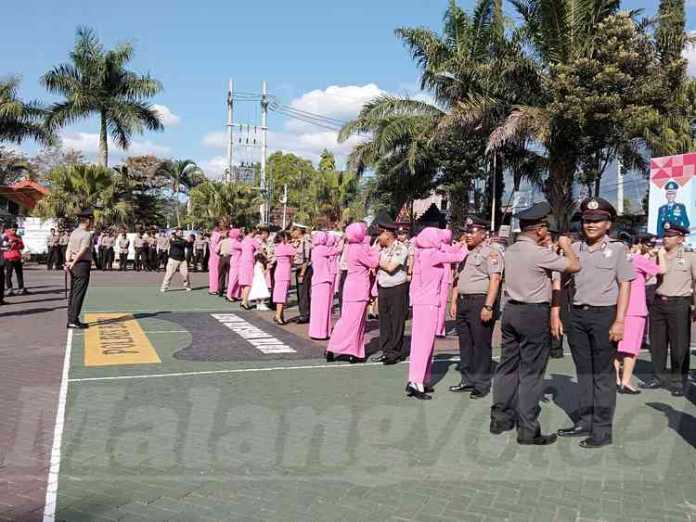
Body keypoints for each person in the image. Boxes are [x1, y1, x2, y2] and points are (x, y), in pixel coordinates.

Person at [490, 202, 580, 445]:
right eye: (544, 228)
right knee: (531, 373)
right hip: (533, 313)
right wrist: (566, 246)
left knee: (507, 367)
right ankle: (528, 428)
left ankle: (500, 418)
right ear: (539, 230)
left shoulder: (510, 250)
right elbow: (574, 266)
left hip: (510, 311)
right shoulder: (539, 253)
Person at [557, 197, 634, 449]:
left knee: (602, 374)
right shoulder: (575, 249)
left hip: (605, 316)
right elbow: (562, 279)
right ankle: (585, 420)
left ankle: (602, 430)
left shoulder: (618, 249)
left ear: (608, 224)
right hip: (578, 315)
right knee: (584, 371)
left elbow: (625, 285)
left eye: (597, 220)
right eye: (587, 220)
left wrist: (620, 320)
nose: (590, 224)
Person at [406, 227, 467, 399]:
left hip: (423, 302)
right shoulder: (431, 255)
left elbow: (448, 250)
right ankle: (416, 382)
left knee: (424, 343)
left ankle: (420, 380)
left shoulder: (424, 251)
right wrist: (465, 247)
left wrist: (459, 244)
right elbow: (457, 257)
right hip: (428, 303)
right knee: (423, 344)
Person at [449, 217, 503, 399]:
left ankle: (481, 384)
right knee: (465, 344)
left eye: (472, 231)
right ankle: (467, 379)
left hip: (480, 302)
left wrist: (488, 306)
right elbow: (458, 278)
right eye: (466, 231)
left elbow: (495, 280)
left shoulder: (491, 253)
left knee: (480, 344)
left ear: (483, 233)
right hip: (464, 302)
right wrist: (454, 301)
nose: (467, 235)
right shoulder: (463, 253)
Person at [641, 221, 695, 396]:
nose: (666, 239)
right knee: (657, 343)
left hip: (679, 303)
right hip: (658, 302)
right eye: (664, 235)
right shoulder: (658, 255)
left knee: (679, 344)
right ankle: (658, 376)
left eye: (670, 236)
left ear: (680, 238)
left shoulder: (690, 256)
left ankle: (678, 379)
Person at [614, 237, 662, 394]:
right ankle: (625, 382)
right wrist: (658, 253)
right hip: (634, 309)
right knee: (630, 349)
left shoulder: (613, 259)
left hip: (616, 307)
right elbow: (660, 270)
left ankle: (616, 378)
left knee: (617, 347)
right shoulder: (635, 258)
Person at [326, 223, 379, 363]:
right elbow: (373, 263)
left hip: (350, 286)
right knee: (356, 322)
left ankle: (332, 347)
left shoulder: (350, 247)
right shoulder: (359, 249)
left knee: (345, 320)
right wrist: (375, 250)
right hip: (360, 288)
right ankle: (352, 351)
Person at [372, 215, 410, 365]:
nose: (378, 237)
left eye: (380, 234)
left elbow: (390, 267)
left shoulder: (401, 248)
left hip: (397, 288)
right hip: (383, 288)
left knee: (396, 321)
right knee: (385, 321)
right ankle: (386, 350)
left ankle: (395, 351)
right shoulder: (382, 249)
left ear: (387, 233)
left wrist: (376, 260)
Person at [66, 209, 94, 329]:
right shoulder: (86, 234)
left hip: (73, 263)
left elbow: (68, 248)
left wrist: (68, 262)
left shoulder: (74, 232)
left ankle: (72, 318)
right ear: (87, 221)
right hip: (81, 264)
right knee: (78, 293)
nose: (92, 222)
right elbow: (83, 250)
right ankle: (73, 320)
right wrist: (74, 262)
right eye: (91, 220)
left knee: (73, 292)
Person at [309, 231, 338, 340]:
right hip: (323, 281)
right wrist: (342, 240)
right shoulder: (322, 249)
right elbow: (337, 250)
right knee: (323, 308)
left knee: (317, 308)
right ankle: (322, 332)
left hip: (317, 281)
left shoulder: (315, 249)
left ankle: (317, 331)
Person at [272, 231, 296, 325]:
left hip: (280, 271)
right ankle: (278, 315)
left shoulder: (279, 247)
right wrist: (293, 244)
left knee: (281, 294)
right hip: (283, 273)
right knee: (281, 296)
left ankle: (280, 315)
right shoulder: (285, 247)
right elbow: (294, 252)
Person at [292, 224, 312, 323]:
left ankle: (305, 315)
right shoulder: (297, 242)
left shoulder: (305, 242)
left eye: (294, 230)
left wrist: (302, 273)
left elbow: (306, 259)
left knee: (303, 292)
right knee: (300, 293)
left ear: (299, 231)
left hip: (304, 269)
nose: (293, 232)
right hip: (298, 268)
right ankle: (303, 313)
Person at [160, 227, 191, 292]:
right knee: (169, 274)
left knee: (186, 274)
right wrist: (186, 241)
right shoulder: (172, 239)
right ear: (176, 233)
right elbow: (178, 244)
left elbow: (188, 245)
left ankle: (187, 286)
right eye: (180, 232)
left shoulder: (183, 240)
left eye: (182, 232)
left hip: (182, 260)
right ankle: (164, 287)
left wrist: (190, 241)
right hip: (173, 259)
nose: (181, 233)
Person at [3, 223, 27, 296]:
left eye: (15, 230)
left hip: (17, 257)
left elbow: (22, 246)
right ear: (10, 228)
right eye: (13, 229)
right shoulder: (5, 235)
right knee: (9, 274)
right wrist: (10, 244)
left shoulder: (18, 236)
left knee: (19, 273)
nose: (14, 231)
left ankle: (21, 288)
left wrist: (17, 244)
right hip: (9, 257)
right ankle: (10, 289)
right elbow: (4, 245)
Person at [216, 229, 234, 297]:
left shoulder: (222, 241)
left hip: (222, 258)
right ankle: (230, 291)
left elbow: (216, 250)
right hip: (231, 258)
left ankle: (220, 290)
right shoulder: (233, 241)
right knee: (230, 275)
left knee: (221, 275)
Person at [208, 222, 224, 294]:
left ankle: (214, 288)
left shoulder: (213, 235)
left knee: (214, 273)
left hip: (213, 257)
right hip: (216, 256)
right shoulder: (217, 235)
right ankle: (214, 289)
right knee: (215, 273)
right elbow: (216, 248)